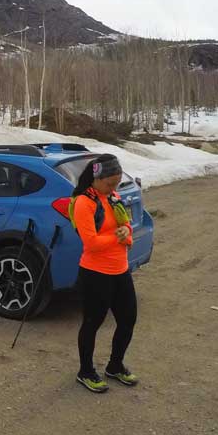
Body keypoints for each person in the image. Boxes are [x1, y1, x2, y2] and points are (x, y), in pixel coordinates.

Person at [70, 153, 139, 393]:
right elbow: (91, 243)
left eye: (116, 184)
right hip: (95, 273)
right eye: (109, 184)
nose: (113, 188)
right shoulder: (84, 202)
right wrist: (116, 237)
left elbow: (126, 227)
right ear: (96, 178)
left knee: (128, 319)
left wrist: (126, 235)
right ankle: (85, 371)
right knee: (92, 323)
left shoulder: (114, 198)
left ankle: (115, 365)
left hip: (120, 270)